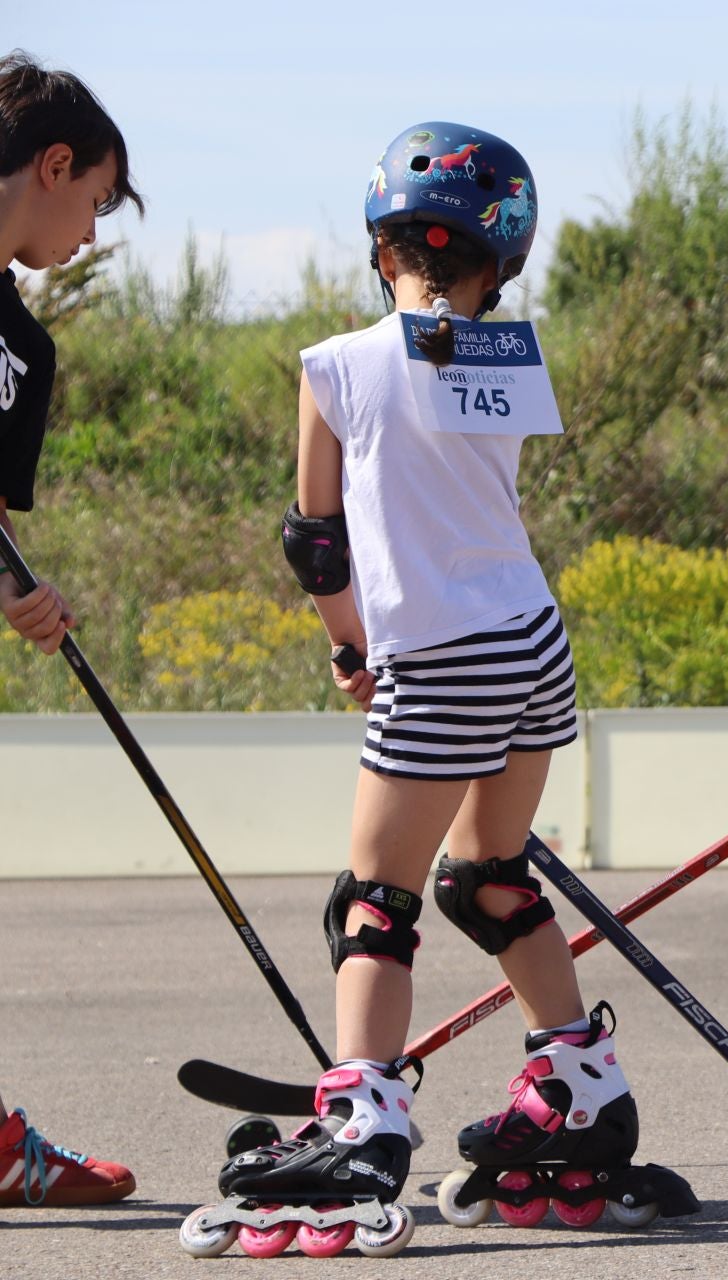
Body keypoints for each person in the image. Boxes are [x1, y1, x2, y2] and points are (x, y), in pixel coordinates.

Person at [189, 123, 695, 1258]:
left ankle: (362, 1124)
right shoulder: (509, 357)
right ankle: (578, 1089)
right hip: (534, 643)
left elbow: (316, 540)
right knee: (490, 879)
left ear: (383, 255)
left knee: (375, 902)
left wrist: (349, 646)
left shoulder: (334, 365)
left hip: (442, 656)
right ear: (499, 264)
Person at [0, 49, 142, 1209]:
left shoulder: (24, 346)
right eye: (93, 200)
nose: (90, 232)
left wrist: (17, 594)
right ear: (52, 166)